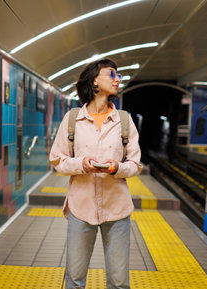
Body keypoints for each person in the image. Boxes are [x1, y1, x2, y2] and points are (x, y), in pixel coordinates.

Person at [49, 59, 143, 289]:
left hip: (117, 208)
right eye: (111, 74)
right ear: (95, 81)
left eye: (118, 75)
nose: (118, 79)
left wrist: (116, 168)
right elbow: (57, 160)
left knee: (119, 281)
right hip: (81, 208)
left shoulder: (124, 120)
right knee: (74, 278)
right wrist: (82, 164)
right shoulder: (73, 119)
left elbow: (135, 164)